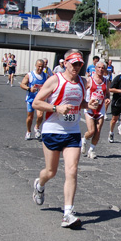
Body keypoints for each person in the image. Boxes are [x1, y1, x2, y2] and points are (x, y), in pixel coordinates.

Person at [31, 49, 99, 228]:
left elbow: (79, 104)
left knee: (72, 170)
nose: (76, 67)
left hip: (72, 132)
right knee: (51, 172)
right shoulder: (55, 80)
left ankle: (68, 213)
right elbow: (36, 102)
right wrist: (56, 108)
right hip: (53, 130)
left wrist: (88, 105)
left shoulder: (83, 82)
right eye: (73, 63)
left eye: (79, 64)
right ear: (65, 63)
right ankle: (40, 183)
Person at [81, 61, 111, 159]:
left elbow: (107, 93)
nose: (100, 70)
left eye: (102, 68)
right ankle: (84, 140)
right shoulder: (89, 80)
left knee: (98, 131)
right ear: (95, 68)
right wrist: (84, 103)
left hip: (100, 109)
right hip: (89, 109)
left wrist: (107, 98)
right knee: (91, 131)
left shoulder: (106, 81)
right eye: (99, 67)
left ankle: (91, 150)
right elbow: (82, 91)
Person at [20, 59, 48, 140]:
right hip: (31, 99)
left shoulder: (45, 76)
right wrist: (29, 89)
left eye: (42, 67)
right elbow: (22, 84)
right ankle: (28, 131)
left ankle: (37, 127)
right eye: (39, 66)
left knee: (40, 116)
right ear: (35, 66)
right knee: (30, 117)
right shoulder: (30, 75)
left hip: (40, 100)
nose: (40, 68)